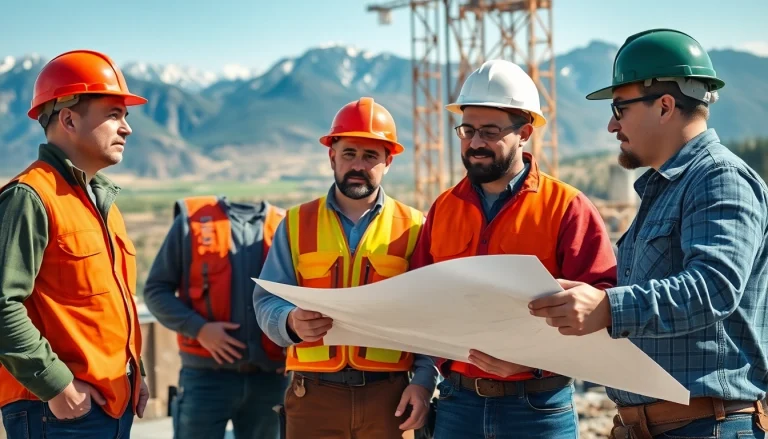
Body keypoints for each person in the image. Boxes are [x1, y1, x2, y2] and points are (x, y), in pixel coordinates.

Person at [529, 28, 768, 438]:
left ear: (665, 106)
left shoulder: (718, 178)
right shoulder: (668, 188)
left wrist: (607, 307)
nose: (610, 125)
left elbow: (714, 287)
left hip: (706, 426)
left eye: (620, 108)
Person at [408, 59, 618, 439]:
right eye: (467, 130)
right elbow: (422, 299)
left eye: (489, 131)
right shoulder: (442, 208)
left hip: (538, 409)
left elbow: (603, 307)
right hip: (458, 404)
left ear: (524, 132)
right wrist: (434, 368)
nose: (474, 143)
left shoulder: (566, 207)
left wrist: (534, 361)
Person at [253, 97, 438, 439]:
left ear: (388, 161)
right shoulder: (295, 223)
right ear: (332, 156)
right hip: (312, 398)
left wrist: (425, 383)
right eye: (349, 153)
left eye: (371, 156)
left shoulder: (415, 227)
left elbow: (430, 315)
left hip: (391, 398)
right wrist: (290, 321)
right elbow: (265, 301)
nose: (358, 165)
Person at [0, 50, 149, 438]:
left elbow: (107, 305)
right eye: (113, 114)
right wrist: (56, 386)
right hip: (58, 414)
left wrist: (136, 372)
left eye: (125, 116)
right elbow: (2, 304)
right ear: (68, 118)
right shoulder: (30, 197)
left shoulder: (102, 203)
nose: (127, 128)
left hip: (110, 405)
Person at [143, 195, 289, 439]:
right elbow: (156, 291)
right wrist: (199, 329)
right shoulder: (192, 221)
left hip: (271, 380)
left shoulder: (285, 226)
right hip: (205, 379)